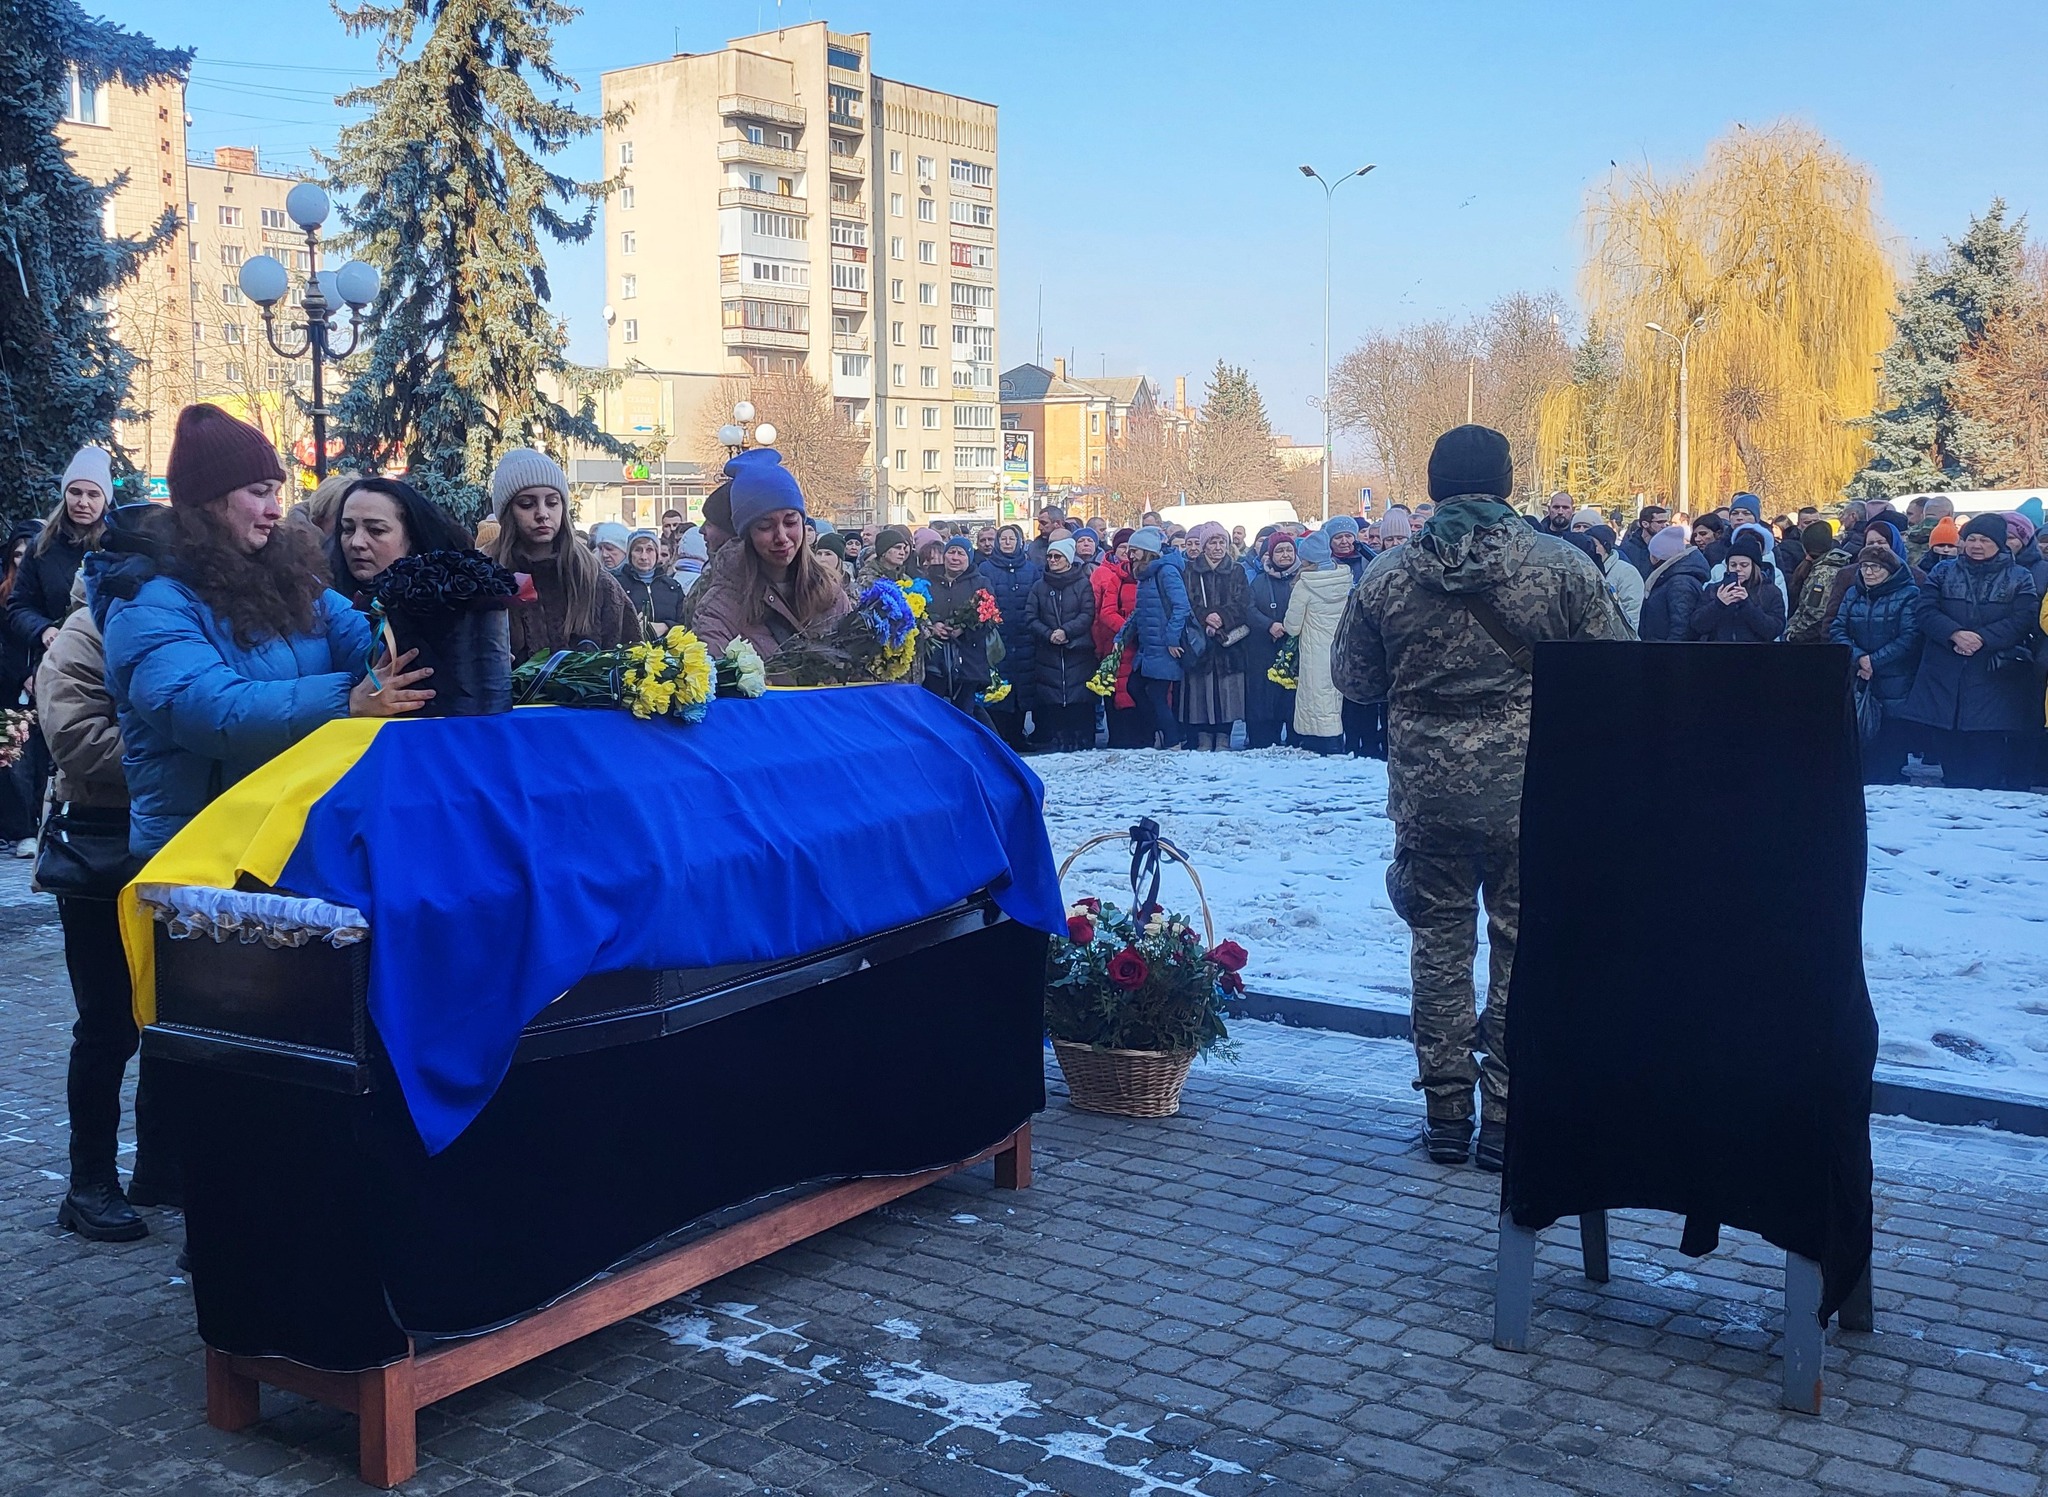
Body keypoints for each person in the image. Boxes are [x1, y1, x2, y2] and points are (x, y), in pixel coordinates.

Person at [1334, 425, 1631, 1171]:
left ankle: (1443, 1112)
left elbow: (1354, 678)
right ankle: (1503, 1117)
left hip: (1426, 795)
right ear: (1505, 480)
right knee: (1520, 947)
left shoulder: (1388, 575)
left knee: (1437, 945)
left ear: (1434, 484)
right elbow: (1618, 667)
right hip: (1528, 790)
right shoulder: (1560, 565)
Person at [101, 404, 434, 860]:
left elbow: (365, 640)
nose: (276, 510)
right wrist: (349, 700)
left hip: (282, 833)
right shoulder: (148, 599)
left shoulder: (288, 576)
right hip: (199, 851)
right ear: (209, 500)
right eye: (259, 493)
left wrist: (434, 630)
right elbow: (205, 708)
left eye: (277, 492)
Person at [36, 504, 185, 1241]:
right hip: (98, 852)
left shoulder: (179, 630)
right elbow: (78, 744)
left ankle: (158, 1167)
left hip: (170, 848)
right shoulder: (82, 638)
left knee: (170, 1013)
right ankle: (87, 1182)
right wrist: (177, 747)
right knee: (108, 1023)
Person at [1895, 513, 2042, 790]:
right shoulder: (1943, 571)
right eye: (1971, 538)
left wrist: (1982, 639)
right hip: (1945, 671)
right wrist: (1954, 634)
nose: (1976, 545)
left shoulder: (2020, 576)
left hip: (1992, 676)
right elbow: (1925, 609)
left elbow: (2024, 618)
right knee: (1951, 761)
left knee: (1987, 757)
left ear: (1999, 544)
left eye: (1984, 540)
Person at [686, 449, 852, 657]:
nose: (781, 536)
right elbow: (715, 679)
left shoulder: (830, 592)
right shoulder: (720, 608)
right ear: (746, 535)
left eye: (790, 521)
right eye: (765, 526)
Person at [487, 450, 638, 656]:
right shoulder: (486, 578)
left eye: (552, 502)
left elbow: (633, 656)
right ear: (507, 512)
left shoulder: (594, 579)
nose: (542, 514)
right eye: (526, 504)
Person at [1828, 542, 1924, 784]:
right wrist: (1859, 657)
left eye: (1876, 568)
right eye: (1865, 567)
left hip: (1896, 677)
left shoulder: (1908, 594)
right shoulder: (1853, 593)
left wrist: (1875, 660)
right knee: (1862, 736)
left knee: (1891, 738)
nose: (1868, 573)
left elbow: (1910, 636)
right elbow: (1838, 628)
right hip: (1859, 673)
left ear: (1890, 571)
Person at [327, 476, 473, 604]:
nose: (356, 542)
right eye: (348, 529)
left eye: (376, 530)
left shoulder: (460, 611)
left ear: (412, 535)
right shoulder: (319, 605)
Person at [1179, 523, 1249, 750]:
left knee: (1227, 692)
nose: (1218, 547)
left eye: (1222, 542)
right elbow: (1188, 602)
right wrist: (1206, 618)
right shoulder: (1190, 570)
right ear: (1204, 546)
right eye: (1213, 543)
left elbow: (1243, 602)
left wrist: (1222, 618)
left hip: (1229, 641)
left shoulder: (1236, 570)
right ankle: (1203, 736)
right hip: (1200, 640)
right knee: (1200, 691)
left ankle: (1223, 735)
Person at [1027, 537, 1098, 750]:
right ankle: (1058, 740)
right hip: (1049, 652)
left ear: (1068, 558)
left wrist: (1066, 631)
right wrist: (1049, 634)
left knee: (1080, 699)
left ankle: (1082, 741)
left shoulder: (1083, 584)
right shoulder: (1039, 586)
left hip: (1078, 651)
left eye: (1057, 556)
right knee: (1053, 699)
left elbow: (1088, 613)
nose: (1052, 560)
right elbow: (1030, 616)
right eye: (1049, 556)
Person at [1283, 532, 1351, 754]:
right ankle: (1337, 739)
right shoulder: (1345, 579)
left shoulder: (1304, 586)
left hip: (1314, 650)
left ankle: (1321, 741)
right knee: (1333, 694)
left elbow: (1292, 626)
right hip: (1341, 648)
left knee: (1315, 695)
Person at [1123, 526, 1190, 750]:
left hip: (1162, 646)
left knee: (1156, 694)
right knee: (1136, 687)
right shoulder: (1145, 573)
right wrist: (1121, 637)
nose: (1130, 555)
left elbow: (1181, 606)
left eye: (1134, 550)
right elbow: (1140, 610)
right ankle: (1166, 734)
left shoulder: (1166, 571)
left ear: (1147, 550)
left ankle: (1172, 740)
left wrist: (1171, 639)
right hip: (1149, 646)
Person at [978, 524, 1041, 751]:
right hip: (998, 637)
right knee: (998, 686)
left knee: (1021, 687)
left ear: (1019, 542)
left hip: (1025, 636)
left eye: (1011, 539)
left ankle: (1018, 734)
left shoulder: (1030, 569)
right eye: (1002, 539)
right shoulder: (986, 568)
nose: (1007, 542)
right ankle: (998, 735)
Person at [923, 535, 995, 720]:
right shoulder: (927, 581)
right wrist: (931, 626)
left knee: (965, 714)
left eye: (961, 554)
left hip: (968, 661)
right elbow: (917, 612)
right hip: (934, 661)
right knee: (933, 713)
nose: (955, 558)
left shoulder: (980, 583)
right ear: (944, 556)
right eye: (951, 552)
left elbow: (989, 618)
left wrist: (963, 629)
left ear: (969, 558)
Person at [1244, 532, 1300, 749]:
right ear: (1270, 555)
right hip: (1264, 649)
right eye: (1279, 550)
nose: (1285, 555)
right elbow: (1248, 609)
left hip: (1295, 651)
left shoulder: (1302, 579)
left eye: (1289, 550)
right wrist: (1268, 624)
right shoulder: (1258, 581)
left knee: (1292, 701)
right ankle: (1263, 741)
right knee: (1264, 701)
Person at [1091, 532, 1146, 747]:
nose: (1128, 553)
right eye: (1123, 547)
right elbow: (1106, 612)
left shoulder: (1152, 577)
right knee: (1119, 696)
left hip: (1145, 644)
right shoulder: (1115, 579)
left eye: (1132, 548)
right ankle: (1121, 740)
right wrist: (1128, 631)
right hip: (1119, 643)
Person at [1688, 530, 1786, 642]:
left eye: (1744, 565)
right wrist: (1718, 604)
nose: (1738, 569)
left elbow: (1774, 630)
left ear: (1754, 567)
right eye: (1733, 565)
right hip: (1718, 654)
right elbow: (1697, 625)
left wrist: (1747, 604)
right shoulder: (1713, 590)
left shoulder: (1771, 591)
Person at [1637, 525, 1709, 642]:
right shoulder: (1671, 577)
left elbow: (1681, 627)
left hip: (1667, 652)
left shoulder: (1680, 583)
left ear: (1658, 556)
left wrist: (1671, 654)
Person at [616, 528, 687, 631]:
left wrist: (667, 626)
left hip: (669, 645)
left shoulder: (672, 587)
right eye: (638, 550)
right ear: (630, 555)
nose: (644, 557)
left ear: (657, 554)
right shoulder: (617, 585)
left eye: (649, 550)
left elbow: (685, 623)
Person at [1582, 524, 1644, 632]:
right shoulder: (1584, 570)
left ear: (1606, 547)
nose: (1590, 549)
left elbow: (1631, 614)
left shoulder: (1626, 573)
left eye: (1594, 544)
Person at [1620, 506, 1666, 579]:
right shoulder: (1628, 549)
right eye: (1659, 522)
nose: (1664, 526)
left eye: (1665, 522)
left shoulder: (1668, 547)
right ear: (1645, 524)